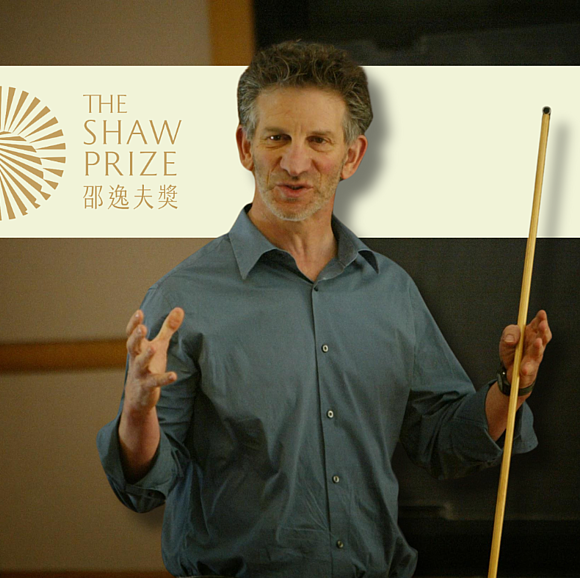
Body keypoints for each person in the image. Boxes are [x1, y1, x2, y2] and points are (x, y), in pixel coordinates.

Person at [97, 41, 552, 577]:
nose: (295, 163)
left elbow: (444, 442)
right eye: (276, 138)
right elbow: (144, 486)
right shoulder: (182, 300)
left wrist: (511, 386)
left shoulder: (391, 292)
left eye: (318, 140)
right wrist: (137, 412)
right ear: (245, 147)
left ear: (351, 156)